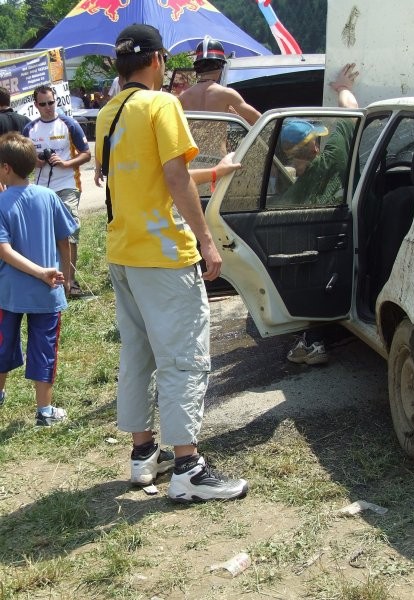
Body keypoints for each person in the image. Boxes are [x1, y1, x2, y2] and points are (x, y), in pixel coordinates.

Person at [95, 24, 248, 502]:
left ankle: (144, 454)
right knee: (183, 358)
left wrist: (214, 172)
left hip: (124, 252)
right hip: (163, 255)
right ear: (158, 59)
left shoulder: (108, 112)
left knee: (138, 353)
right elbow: (175, 177)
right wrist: (207, 241)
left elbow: (140, 179)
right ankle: (188, 466)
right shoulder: (162, 104)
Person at [285, 63, 359, 365]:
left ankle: (311, 339)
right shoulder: (333, 157)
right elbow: (353, 114)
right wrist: (343, 89)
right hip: (342, 236)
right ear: (314, 146)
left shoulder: (291, 190)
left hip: (311, 251)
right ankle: (315, 341)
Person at [0, 132, 77, 421]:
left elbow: (4, 251)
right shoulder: (48, 196)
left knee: (2, 342)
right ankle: (44, 411)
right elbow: (64, 239)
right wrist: (65, 276)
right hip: (48, 291)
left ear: (6, 167)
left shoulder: (1, 203)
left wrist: (40, 273)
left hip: (8, 292)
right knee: (45, 347)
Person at [23, 85, 91, 298]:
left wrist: (66, 162)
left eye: (51, 103)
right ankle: (51, 278)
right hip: (41, 188)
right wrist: (35, 161)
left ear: (56, 102)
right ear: (36, 106)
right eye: (42, 104)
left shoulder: (68, 124)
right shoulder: (29, 129)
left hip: (67, 184)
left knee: (70, 232)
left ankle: (70, 283)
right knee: (46, 235)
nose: (47, 108)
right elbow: (24, 161)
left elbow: (87, 154)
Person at [179, 36, 261, 125]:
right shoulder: (227, 94)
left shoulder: (184, 97)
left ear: (197, 68)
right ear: (221, 66)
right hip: (218, 139)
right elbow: (258, 119)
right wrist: (236, 116)